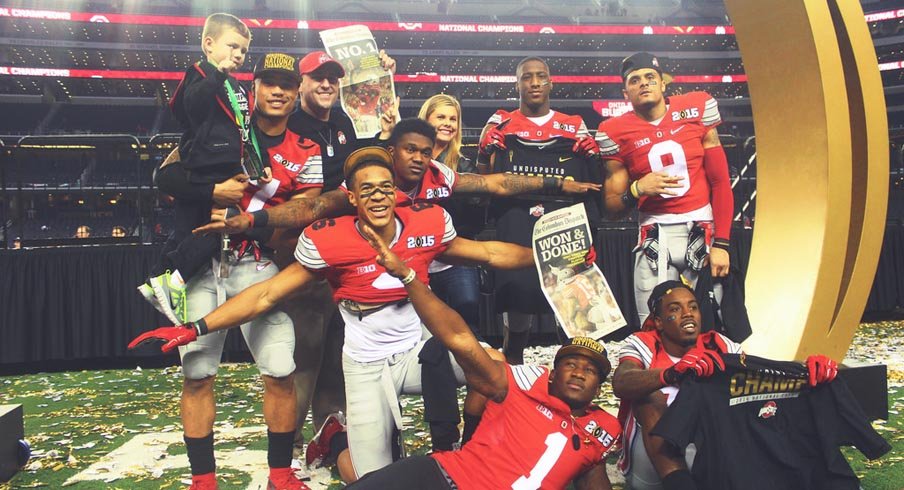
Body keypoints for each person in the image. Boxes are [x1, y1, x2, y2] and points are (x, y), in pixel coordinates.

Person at [130, 147, 539, 482]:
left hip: (418, 352)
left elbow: (488, 253)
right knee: (371, 480)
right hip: (366, 364)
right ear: (354, 198)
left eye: (386, 188)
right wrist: (197, 326)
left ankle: (472, 454)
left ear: (397, 192)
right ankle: (334, 437)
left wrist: (550, 257)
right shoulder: (331, 239)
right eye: (368, 190)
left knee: (495, 368)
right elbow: (268, 293)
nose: (378, 196)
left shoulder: (426, 223)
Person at [195, 117, 601, 455]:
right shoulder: (348, 204)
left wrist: (556, 230)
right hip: (366, 315)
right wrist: (252, 223)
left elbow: (490, 230)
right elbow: (310, 213)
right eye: (411, 150)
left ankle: (464, 446)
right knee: (374, 464)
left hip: (422, 285)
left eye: (426, 151)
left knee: (482, 360)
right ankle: (334, 440)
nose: (420, 158)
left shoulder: (433, 192)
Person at [135, 53, 322, 490]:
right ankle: (204, 481)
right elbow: (163, 178)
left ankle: (280, 473)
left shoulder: (307, 150)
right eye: (269, 83)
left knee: (280, 368)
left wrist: (265, 226)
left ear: (297, 94)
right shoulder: (215, 130)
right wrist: (212, 190)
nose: (277, 91)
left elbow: (305, 212)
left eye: (287, 85)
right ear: (252, 89)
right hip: (203, 263)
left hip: (258, 263)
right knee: (197, 374)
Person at [347, 220, 620, 489]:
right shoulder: (524, 385)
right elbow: (459, 339)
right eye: (570, 364)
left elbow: (592, 475)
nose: (578, 373)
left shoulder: (602, 429)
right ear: (552, 374)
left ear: (598, 389)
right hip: (441, 476)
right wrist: (408, 276)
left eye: (590, 370)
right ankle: (337, 439)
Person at [611, 280, 838, 490]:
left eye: (693, 307)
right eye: (675, 309)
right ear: (659, 321)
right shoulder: (642, 342)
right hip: (653, 463)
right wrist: (670, 374)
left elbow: (760, 382)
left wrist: (807, 372)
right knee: (650, 397)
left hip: (713, 453)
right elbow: (622, 381)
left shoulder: (719, 344)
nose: (688, 314)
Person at [282, 49, 397, 457]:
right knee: (307, 348)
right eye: (318, 78)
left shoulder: (344, 122)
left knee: (337, 346)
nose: (327, 84)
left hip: (347, 249)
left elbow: (358, 167)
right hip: (308, 250)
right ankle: (288, 441)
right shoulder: (290, 124)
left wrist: (383, 129)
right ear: (302, 84)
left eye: (332, 78)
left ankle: (329, 429)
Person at [139, 13, 273, 324]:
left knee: (191, 232)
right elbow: (193, 109)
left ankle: (157, 281)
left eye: (243, 51)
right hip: (203, 166)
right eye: (232, 46)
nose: (237, 55)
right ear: (208, 44)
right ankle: (174, 281)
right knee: (211, 231)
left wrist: (260, 162)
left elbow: (246, 128)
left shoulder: (238, 87)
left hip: (225, 166)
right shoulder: (199, 74)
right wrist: (216, 74)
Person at [478, 56, 605, 364]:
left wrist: (593, 159)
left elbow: (596, 182)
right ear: (517, 83)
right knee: (518, 305)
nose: (534, 82)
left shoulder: (574, 125)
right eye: (526, 77)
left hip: (564, 220)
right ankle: (514, 370)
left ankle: (574, 371)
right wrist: (485, 151)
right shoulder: (500, 122)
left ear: (551, 82)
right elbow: (484, 180)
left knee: (572, 305)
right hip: (517, 221)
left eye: (540, 77)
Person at [597, 52, 734, 327]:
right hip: (654, 229)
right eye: (635, 81)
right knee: (652, 321)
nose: (643, 84)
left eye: (650, 77)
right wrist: (637, 188)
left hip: (701, 224)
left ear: (663, 84)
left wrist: (722, 243)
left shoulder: (696, 108)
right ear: (626, 93)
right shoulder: (614, 131)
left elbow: (720, 182)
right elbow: (611, 208)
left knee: (713, 318)